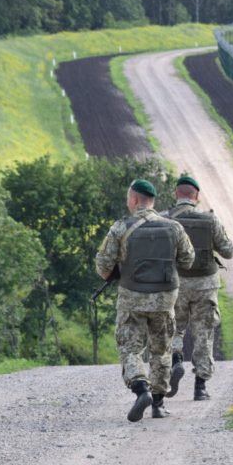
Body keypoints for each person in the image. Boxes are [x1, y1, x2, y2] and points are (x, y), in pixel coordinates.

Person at [94, 178, 194, 422]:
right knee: (162, 349)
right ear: (153, 201)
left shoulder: (120, 227)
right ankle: (158, 404)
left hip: (132, 299)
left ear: (134, 199)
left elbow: (103, 267)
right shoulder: (174, 227)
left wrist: (119, 271)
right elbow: (188, 260)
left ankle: (141, 389)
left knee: (130, 348)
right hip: (164, 300)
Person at [162, 173, 233, 401]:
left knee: (174, 328)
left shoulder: (165, 219)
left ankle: (175, 360)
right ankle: (200, 387)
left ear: (176, 194)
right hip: (205, 285)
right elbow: (228, 251)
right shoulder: (209, 220)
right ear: (197, 196)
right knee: (204, 333)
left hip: (175, 284)